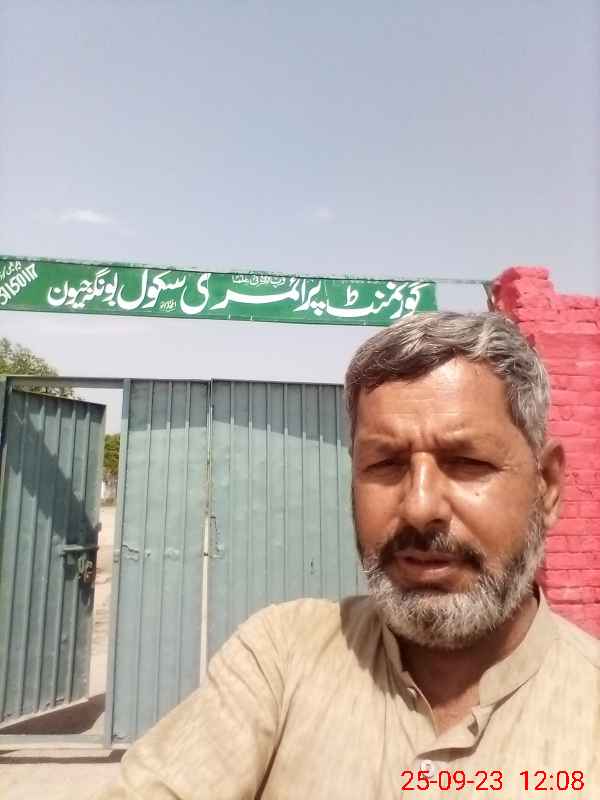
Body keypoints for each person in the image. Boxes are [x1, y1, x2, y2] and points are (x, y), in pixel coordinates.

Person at [97, 312, 599, 800]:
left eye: (466, 462)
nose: (420, 507)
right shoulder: (281, 659)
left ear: (547, 486)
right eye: (386, 464)